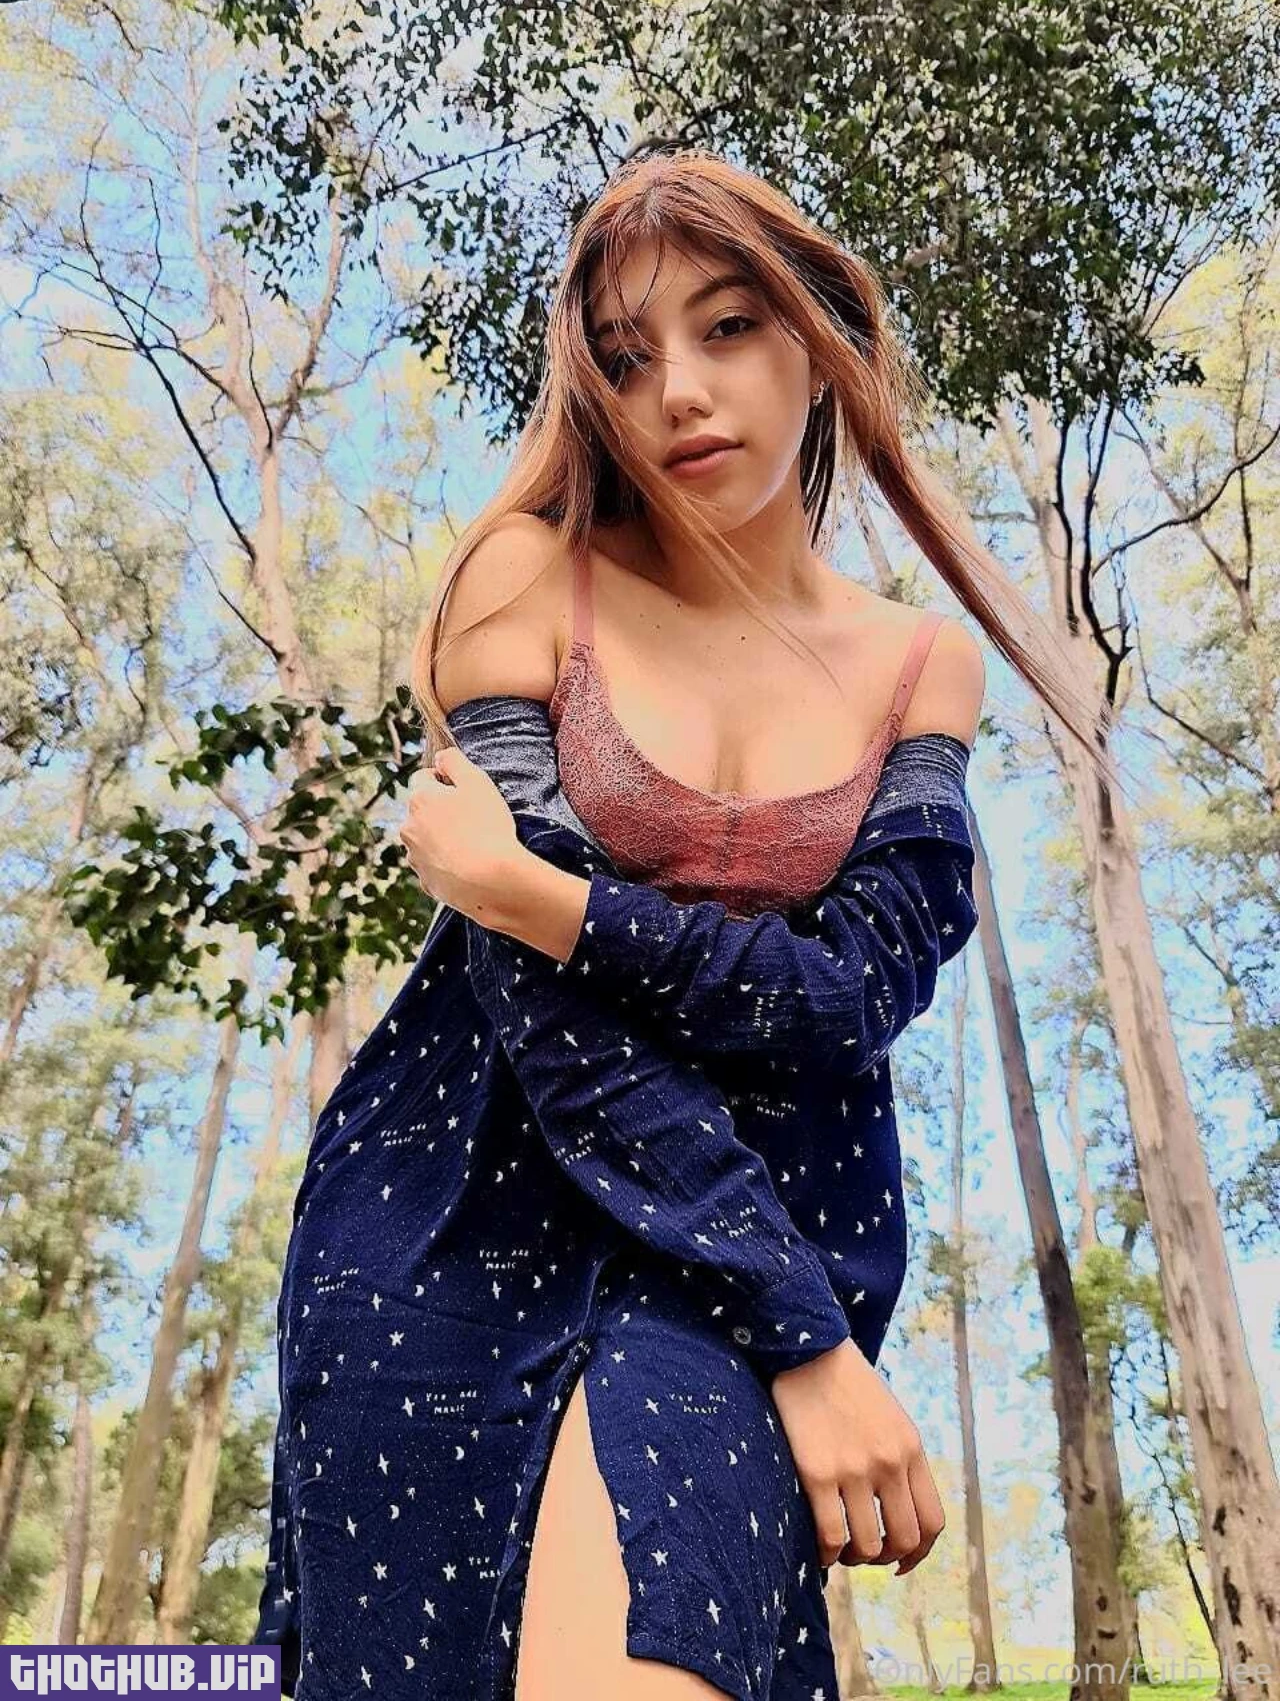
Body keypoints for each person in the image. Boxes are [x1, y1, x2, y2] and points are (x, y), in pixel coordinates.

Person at [253, 147, 1110, 1700]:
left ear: (817, 338)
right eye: (629, 357)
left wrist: (546, 898)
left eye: (727, 327)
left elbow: (849, 995)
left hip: (750, 1243)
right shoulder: (524, 577)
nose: (681, 394)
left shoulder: (919, 665)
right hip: (456, 1209)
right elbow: (548, 1016)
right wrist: (806, 1330)